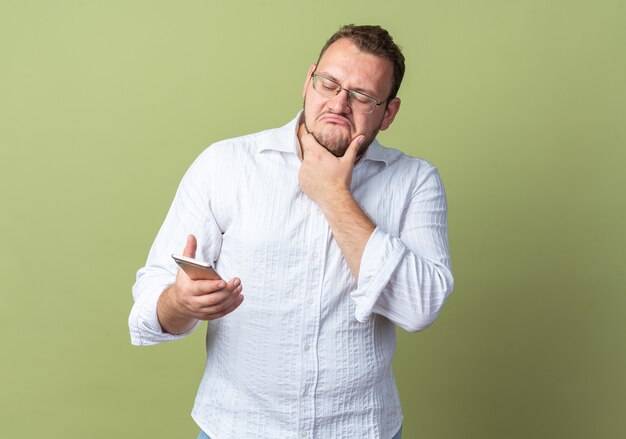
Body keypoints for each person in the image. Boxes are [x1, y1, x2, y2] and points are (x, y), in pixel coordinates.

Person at [129, 24, 454, 439]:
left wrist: (334, 195)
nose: (339, 103)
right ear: (308, 80)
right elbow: (147, 309)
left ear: (388, 113)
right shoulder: (226, 164)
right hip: (234, 428)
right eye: (329, 84)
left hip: (362, 430)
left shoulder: (415, 182)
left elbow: (420, 307)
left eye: (362, 96)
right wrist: (179, 301)